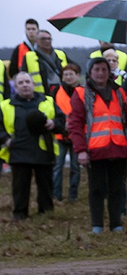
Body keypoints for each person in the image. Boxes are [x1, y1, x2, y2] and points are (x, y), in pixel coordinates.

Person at [68, 58, 127, 234]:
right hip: (94, 149)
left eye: (104, 69)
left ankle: (116, 223)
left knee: (117, 189)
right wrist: (80, 150)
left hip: (118, 147)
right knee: (96, 189)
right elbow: (75, 124)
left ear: (109, 72)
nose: (101, 73)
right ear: (90, 72)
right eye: (97, 69)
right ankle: (97, 224)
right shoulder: (80, 93)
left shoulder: (119, 92)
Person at [0, 72, 65, 220]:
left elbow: (62, 121)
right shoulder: (5, 106)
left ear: (33, 84)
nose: (25, 85)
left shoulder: (48, 101)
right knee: (20, 187)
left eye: (27, 82)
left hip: (43, 150)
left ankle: (46, 213)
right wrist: (6, 140)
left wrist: (54, 123)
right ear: (15, 87)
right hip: (18, 151)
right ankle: (20, 215)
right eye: (21, 83)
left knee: (46, 186)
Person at [51, 62, 83, 202]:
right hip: (60, 135)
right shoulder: (55, 91)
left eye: (71, 74)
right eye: (66, 74)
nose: (68, 77)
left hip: (77, 135)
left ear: (77, 76)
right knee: (57, 166)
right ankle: (56, 195)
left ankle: (73, 196)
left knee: (75, 167)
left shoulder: (83, 91)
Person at [21, 30, 69, 95]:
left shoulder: (60, 54)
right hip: (40, 95)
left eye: (49, 39)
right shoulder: (29, 57)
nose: (47, 41)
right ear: (36, 41)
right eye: (43, 39)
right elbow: (23, 76)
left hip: (62, 93)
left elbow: (75, 68)